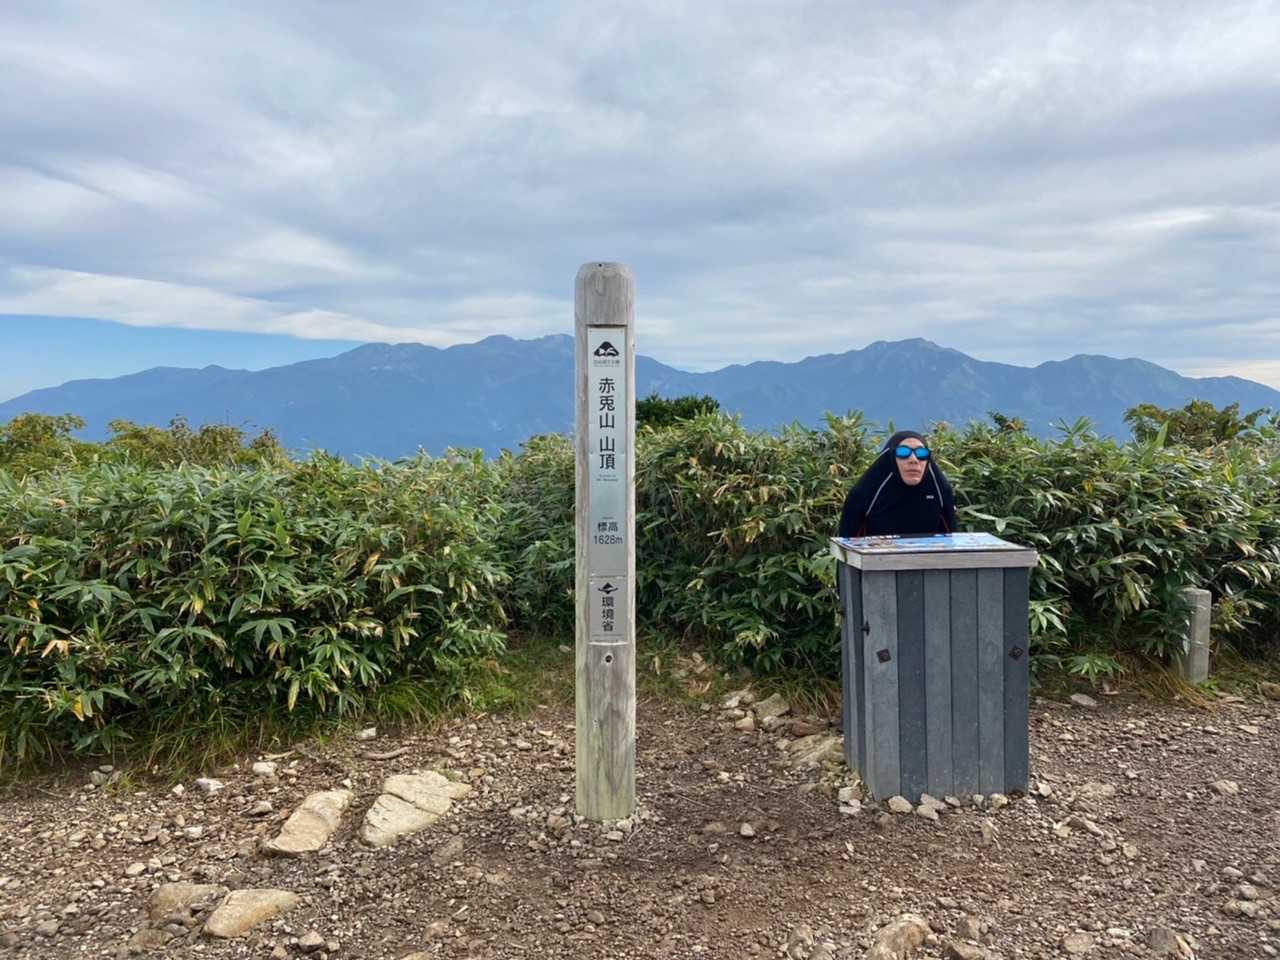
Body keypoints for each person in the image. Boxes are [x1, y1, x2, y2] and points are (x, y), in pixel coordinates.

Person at [837, 430, 958, 538]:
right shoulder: (865, 493)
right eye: (903, 452)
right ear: (891, 457)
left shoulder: (940, 489)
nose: (913, 459)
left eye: (921, 453)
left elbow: (951, 539)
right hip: (876, 555)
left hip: (930, 556)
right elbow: (846, 545)